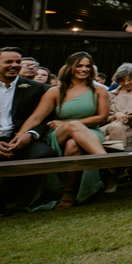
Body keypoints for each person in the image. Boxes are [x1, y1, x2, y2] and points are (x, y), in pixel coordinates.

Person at [17, 51, 110, 210]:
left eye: (87, 66)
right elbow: (36, 118)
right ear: (70, 67)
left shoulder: (99, 90)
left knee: (73, 144)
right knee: (72, 127)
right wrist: (20, 134)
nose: (84, 69)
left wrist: (71, 123)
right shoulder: (55, 91)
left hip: (91, 133)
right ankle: (107, 164)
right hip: (58, 134)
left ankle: (68, 193)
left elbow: (102, 118)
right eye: (79, 65)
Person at [0, 47, 53, 216]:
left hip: (19, 140)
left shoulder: (37, 88)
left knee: (44, 154)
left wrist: (31, 134)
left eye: (18, 62)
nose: (14, 65)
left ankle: (2, 199)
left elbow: (44, 118)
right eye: (8, 62)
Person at [102, 63, 132, 152]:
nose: (126, 83)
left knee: (107, 139)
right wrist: (115, 115)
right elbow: (103, 117)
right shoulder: (111, 95)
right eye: (122, 80)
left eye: (129, 79)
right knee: (115, 128)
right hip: (114, 127)